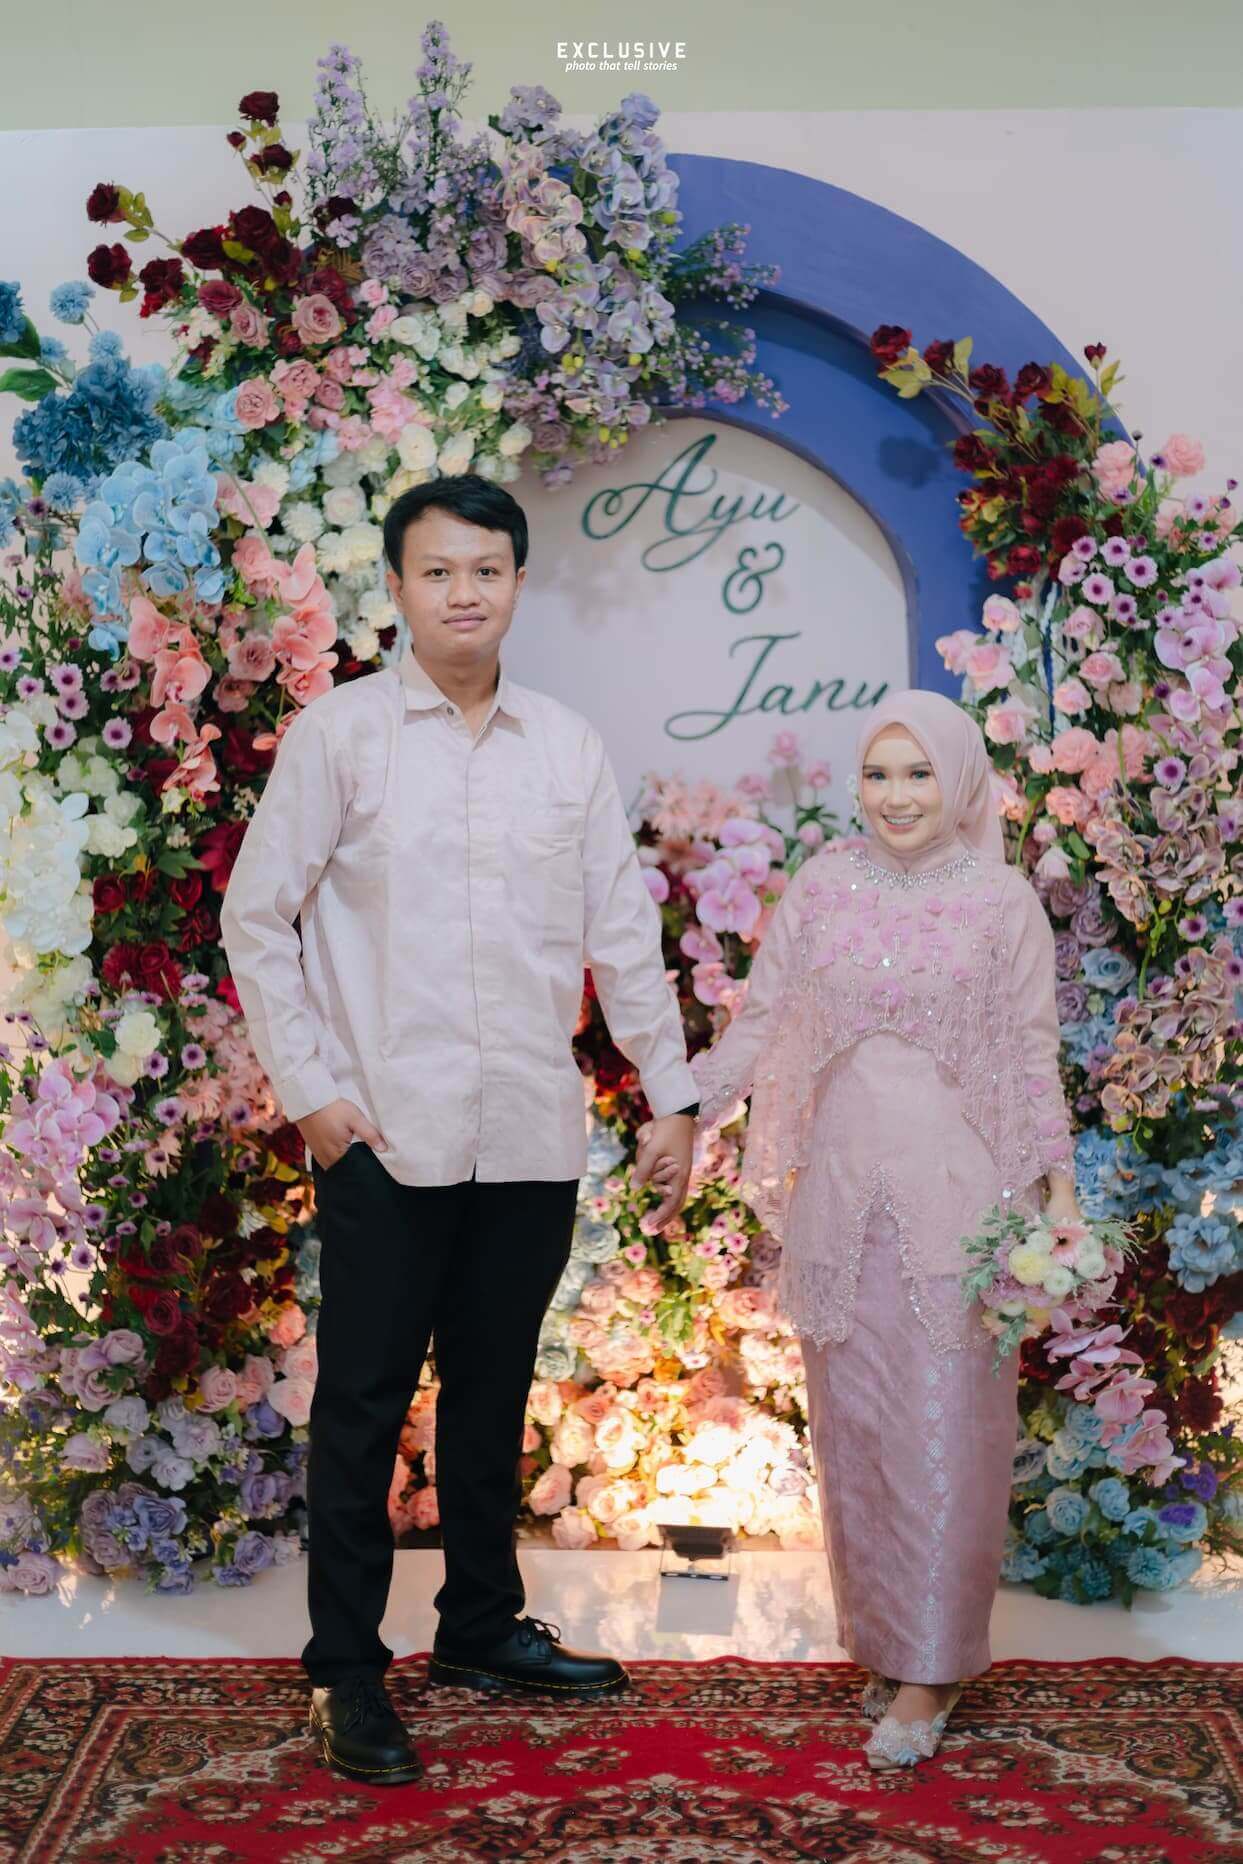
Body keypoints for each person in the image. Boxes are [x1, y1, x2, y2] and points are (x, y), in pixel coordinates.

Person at [220, 474, 699, 1786]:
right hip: (383, 1133)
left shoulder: (564, 747)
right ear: (397, 588)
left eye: (486, 569)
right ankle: (345, 1669)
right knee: (362, 1408)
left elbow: (621, 934)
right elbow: (256, 918)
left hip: (529, 1133)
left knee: (493, 1396)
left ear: (518, 583)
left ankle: (480, 1627)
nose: (463, 593)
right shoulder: (341, 737)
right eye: (437, 572)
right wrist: (313, 1094)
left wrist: (670, 1094)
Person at [651, 689, 1078, 1769]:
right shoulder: (824, 886)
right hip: (841, 1199)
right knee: (861, 1430)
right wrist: (686, 1109)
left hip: (959, 1205)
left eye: (918, 773)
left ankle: (933, 1668)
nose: (895, 796)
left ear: (959, 781)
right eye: (878, 774)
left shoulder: (1000, 902)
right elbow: (760, 1023)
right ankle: (888, 1638)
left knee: (948, 1430)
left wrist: (1060, 1197)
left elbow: (1031, 1055)